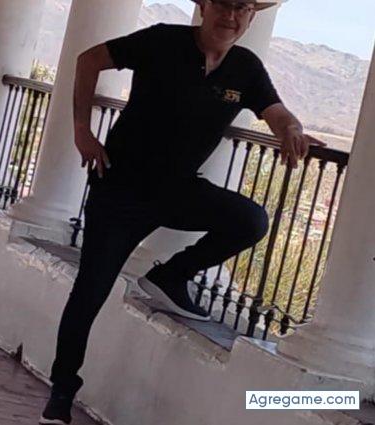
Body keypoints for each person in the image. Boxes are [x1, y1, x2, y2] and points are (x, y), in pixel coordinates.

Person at [39, 0, 327, 423]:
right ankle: (61, 394)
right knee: (90, 291)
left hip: (177, 190)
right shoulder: (162, 40)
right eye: (224, 4)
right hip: (120, 189)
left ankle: (171, 275)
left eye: (243, 8)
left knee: (250, 220)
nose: (232, 16)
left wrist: (292, 129)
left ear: (252, 16)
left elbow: (276, 111)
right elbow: (89, 59)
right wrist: (82, 130)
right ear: (205, 7)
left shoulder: (245, 67)